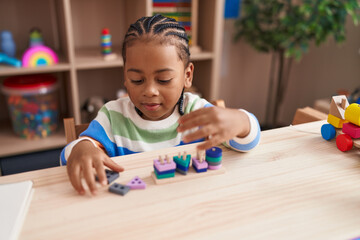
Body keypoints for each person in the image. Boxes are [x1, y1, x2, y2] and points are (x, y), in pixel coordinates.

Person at [60, 14, 261, 195]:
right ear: (125, 77)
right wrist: (81, 148)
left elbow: (248, 142)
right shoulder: (113, 115)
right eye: (137, 80)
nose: (149, 91)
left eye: (163, 79)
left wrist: (241, 121)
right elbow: (69, 159)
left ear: (187, 76)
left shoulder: (197, 112)